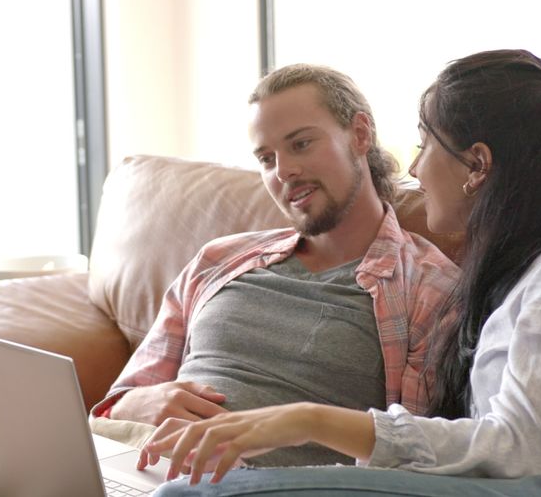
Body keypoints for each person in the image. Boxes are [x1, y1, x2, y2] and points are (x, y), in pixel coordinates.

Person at [139, 50, 541, 496]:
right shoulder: (515, 276)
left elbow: (518, 446)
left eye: (424, 146)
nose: (412, 168)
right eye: (266, 158)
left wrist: (302, 420)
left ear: (477, 165)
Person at [91, 63, 460, 467]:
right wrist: (140, 401)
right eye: (267, 158)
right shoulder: (218, 260)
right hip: (145, 468)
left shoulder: (429, 288)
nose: (284, 171)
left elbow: (418, 457)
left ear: (359, 134)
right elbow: (114, 407)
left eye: (300, 144)